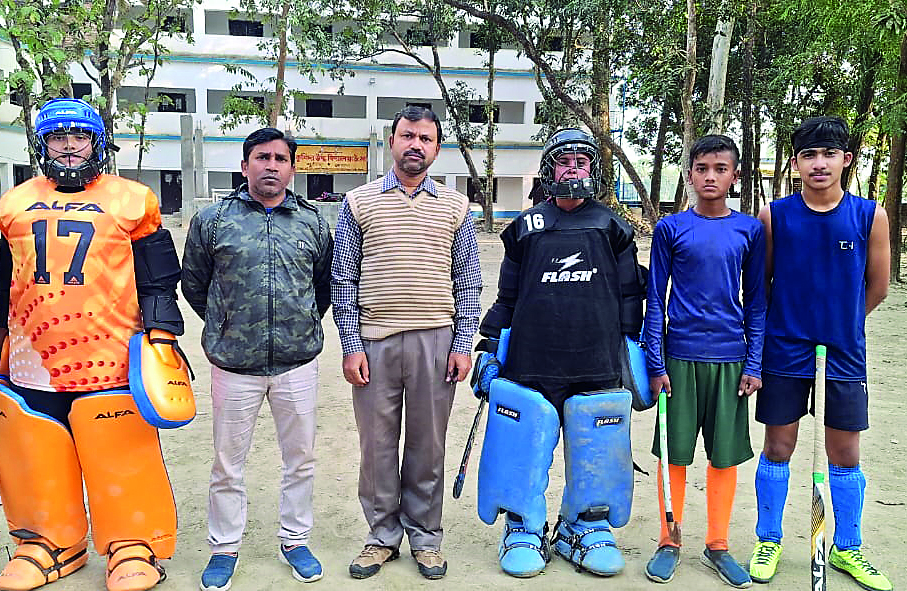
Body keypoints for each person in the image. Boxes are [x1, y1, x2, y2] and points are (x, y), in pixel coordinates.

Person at [0, 98, 186, 591]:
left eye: (79, 138)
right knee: (36, 443)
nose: (69, 148)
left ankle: (133, 542)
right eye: (58, 138)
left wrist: (161, 334)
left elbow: (158, 277)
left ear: (97, 142)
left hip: (111, 354)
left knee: (116, 444)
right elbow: (8, 275)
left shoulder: (134, 199)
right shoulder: (14, 203)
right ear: (42, 145)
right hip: (34, 353)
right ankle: (51, 541)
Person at [473, 128, 644, 578]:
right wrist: (488, 348)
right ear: (549, 170)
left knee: (598, 442)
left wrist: (634, 353)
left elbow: (631, 298)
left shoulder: (613, 227)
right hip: (532, 361)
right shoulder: (525, 229)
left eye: (582, 160)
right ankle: (523, 525)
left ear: (594, 169)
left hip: (597, 362)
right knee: (523, 439)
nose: (574, 167)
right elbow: (506, 298)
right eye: (564, 160)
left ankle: (584, 526)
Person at [331, 106, 483, 581]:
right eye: (407, 135)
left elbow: (468, 280)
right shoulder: (357, 203)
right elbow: (343, 278)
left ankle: (425, 537)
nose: (415, 144)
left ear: (438, 149)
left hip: (436, 344)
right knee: (376, 447)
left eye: (426, 138)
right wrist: (351, 343)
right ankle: (381, 537)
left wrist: (463, 343)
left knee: (428, 446)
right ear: (391, 141)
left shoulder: (457, 208)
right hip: (374, 344)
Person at [181, 128, 333, 591]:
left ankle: (295, 540)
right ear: (244, 165)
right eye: (261, 158)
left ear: (292, 167)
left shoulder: (312, 222)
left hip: (297, 362)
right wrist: (229, 325)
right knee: (227, 463)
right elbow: (195, 284)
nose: (271, 166)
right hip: (233, 365)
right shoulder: (213, 220)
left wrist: (299, 323)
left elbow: (322, 288)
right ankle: (224, 548)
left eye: (280, 158)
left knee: (301, 459)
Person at [747, 116, 892, 591]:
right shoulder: (775, 216)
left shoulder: (870, 215)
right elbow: (761, 286)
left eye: (829, 154)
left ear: (846, 159)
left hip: (844, 352)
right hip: (785, 350)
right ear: (796, 163)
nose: (819, 163)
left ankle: (848, 547)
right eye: (809, 155)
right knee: (778, 446)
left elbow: (877, 287)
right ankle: (768, 539)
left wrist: (842, 323)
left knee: (845, 453)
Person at [641, 135, 765, 588]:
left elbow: (756, 302)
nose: (710, 177)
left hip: (731, 360)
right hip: (679, 359)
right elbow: (655, 300)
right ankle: (669, 541)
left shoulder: (750, 230)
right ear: (690, 174)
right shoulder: (671, 229)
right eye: (701, 168)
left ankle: (717, 544)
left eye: (720, 168)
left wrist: (754, 362)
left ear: (734, 176)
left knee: (724, 458)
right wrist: (656, 364)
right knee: (674, 456)